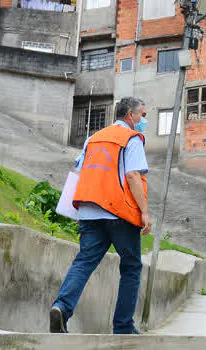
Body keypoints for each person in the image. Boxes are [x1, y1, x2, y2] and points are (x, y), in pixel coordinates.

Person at [49, 97, 152, 335]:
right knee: (131, 266)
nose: (144, 120)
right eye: (142, 115)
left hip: (89, 210)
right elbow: (133, 176)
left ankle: (61, 307)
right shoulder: (131, 138)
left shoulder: (92, 139)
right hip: (119, 212)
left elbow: (78, 171)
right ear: (130, 116)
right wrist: (145, 211)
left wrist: (75, 210)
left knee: (85, 261)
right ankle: (123, 326)